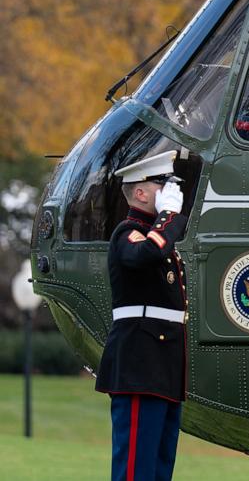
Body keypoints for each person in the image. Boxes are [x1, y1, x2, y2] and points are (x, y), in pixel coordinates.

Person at [96, 150, 188, 481]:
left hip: (162, 368)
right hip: (140, 364)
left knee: (159, 467)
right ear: (140, 193)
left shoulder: (157, 237)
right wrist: (169, 217)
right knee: (136, 469)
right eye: (162, 185)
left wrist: (166, 221)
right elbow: (145, 253)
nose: (170, 192)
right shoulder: (128, 232)